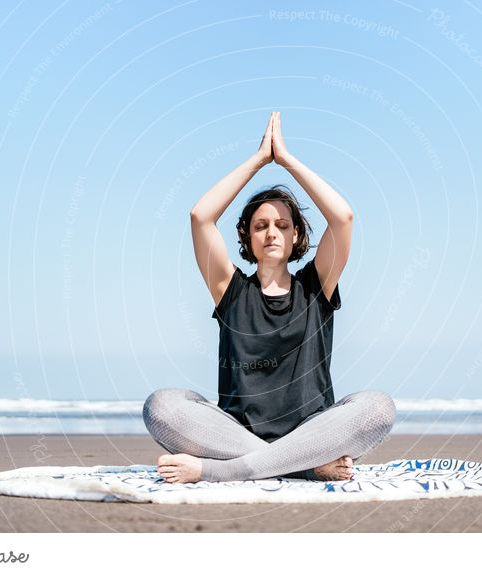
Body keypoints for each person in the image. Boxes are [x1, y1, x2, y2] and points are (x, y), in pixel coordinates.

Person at [143, 112, 396, 483]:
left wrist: (288, 160)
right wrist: (260, 159)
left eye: (282, 225)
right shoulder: (231, 291)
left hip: (313, 432)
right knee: (161, 406)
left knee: (378, 408)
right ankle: (304, 467)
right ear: (247, 238)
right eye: (261, 226)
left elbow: (342, 218)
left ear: (296, 236)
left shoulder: (316, 285)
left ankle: (222, 472)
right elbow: (201, 217)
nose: (272, 233)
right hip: (236, 435)